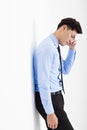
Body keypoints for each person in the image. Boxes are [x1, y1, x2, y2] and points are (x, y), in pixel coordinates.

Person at [33, 18, 82, 130]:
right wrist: (50, 112)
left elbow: (65, 69)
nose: (72, 40)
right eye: (72, 36)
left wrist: (72, 49)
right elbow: (43, 81)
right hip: (49, 98)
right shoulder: (48, 48)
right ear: (63, 28)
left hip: (56, 97)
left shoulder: (54, 47)